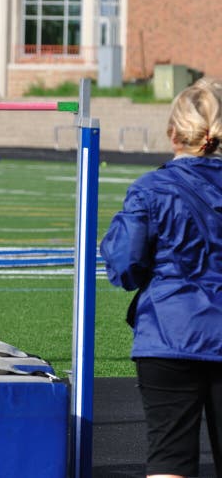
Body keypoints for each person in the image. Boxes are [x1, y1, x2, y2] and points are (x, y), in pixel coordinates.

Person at [100, 78, 222, 478]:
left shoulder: (150, 189)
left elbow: (125, 266)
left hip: (169, 335)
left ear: (174, 133)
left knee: (170, 459)